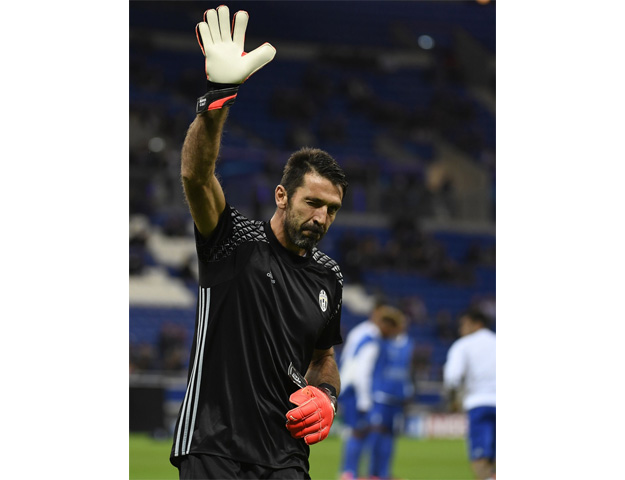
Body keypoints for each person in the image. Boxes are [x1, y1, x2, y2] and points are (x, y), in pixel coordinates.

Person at [168, 6, 348, 479]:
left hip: (286, 456)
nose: (321, 216)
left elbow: (323, 358)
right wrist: (218, 98)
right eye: (312, 202)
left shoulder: (329, 276)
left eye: (331, 209)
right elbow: (195, 176)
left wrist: (327, 396)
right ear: (282, 195)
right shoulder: (233, 242)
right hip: (213, 447)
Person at [338, 305, 406, 480]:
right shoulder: (369, 338)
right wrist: (364, 399)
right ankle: (349, 473)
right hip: (356, 390)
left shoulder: (373, 338)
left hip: (360, 390)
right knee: (358, 431)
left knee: (367, 431)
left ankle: (367, 473)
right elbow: (360, 371)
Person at [443, 310, 496, 480]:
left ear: (477, 324)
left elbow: (452, 377)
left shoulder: (463, 345)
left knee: (480, 455)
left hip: (478, 404)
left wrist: (453, 401)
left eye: (464, 325)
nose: (461, 330)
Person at [368, 313, 415, 480]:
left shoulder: (408, 344)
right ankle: (372, 473)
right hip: (381, 395)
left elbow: (408, 369)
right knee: (376, 432)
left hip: (398, 397)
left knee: (390, 435)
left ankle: (384, 473)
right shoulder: (381, 342)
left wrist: (408, 389)